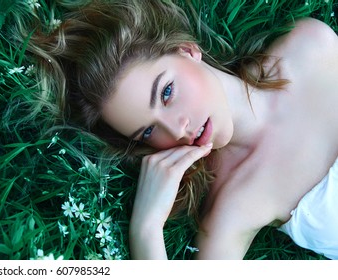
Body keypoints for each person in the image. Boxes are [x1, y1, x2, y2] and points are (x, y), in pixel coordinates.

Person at [20, 0, 338, 259]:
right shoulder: (232, 208)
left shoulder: (311, 47)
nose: (177, 130)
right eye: (147, 132)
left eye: (167, 93)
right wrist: (146, 228)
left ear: (187, 50)